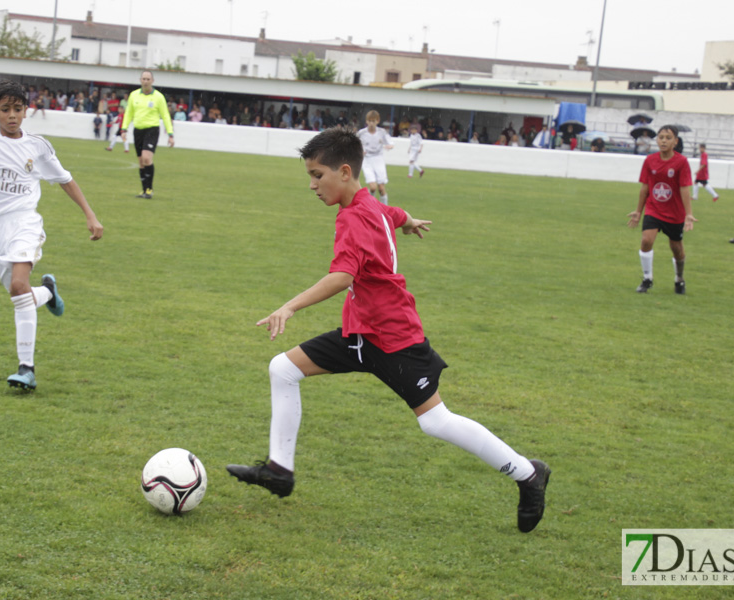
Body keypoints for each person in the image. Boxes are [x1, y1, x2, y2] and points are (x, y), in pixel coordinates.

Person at [225, 127, 551, 534]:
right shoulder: (373, 206)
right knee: (283, 368)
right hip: (359, 335)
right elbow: (394, 214)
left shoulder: (353, 218)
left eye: (317, 175)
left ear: (345, 172)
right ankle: (279, 470)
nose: (311, 185)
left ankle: (527, 473)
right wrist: (409, 221)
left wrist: (289, 306)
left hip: (393, 338)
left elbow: (343, 276)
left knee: (436, 422)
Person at [0, 80, 104, 391]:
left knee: (19, 286)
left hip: (24, 223)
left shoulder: (37, 147)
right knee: (21, 296)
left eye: (17, 110)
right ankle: (47, 291)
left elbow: (65, 180)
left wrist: (90, 215)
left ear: (25, 112)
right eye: (5, 110)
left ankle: (26, 369)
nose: (11, 116)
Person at [626, 125, 696, 294]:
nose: (663, 141)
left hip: (674, 213)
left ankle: (679, 279)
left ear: (675, 141)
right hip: (654, 209)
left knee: (676, 248)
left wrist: (688, 214)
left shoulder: (681, 162)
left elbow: (684, 189)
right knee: (646, 241)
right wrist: (638, 211)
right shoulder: (650, 160)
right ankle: (647, 279)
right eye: (661, 137)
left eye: (668, 137)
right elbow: (645, 188)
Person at [121, 70, 174, 199]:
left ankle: (149, 190)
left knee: (146, 158)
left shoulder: (158, 97)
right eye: (143, 79)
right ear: (140, 80)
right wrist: (124, 129)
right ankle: (144, 190)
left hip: (152, 130)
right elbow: (129, 113)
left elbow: (165, 116)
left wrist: (170, 134)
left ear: (152, 81)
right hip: (138, 130)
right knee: (141, 162)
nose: (145, 81)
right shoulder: (134, 95)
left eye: (148, 79)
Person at [357, 110, 394, 205]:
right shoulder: (361, 133)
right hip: (367, 161)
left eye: (373, 121)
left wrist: (389, 146)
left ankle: (385, 209)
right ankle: (371, 206)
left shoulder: (382, 132)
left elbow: (390, 142)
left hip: (378, 160)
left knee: (381, 188)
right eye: (369, 121)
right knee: (373, 187)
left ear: (378, 121)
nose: (371, 123)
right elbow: (354, 145)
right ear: (366, 121)